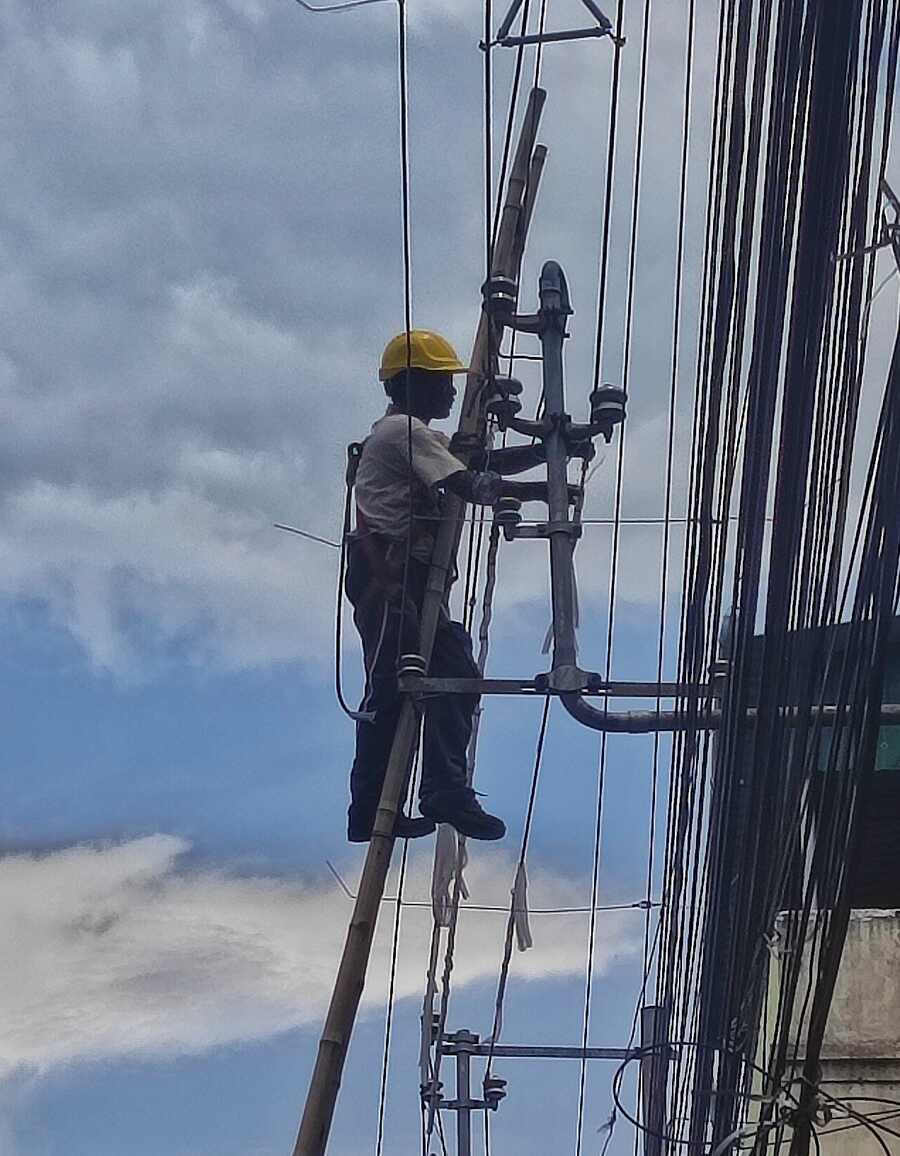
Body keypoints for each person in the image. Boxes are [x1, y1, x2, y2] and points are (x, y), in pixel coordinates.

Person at [346, 328, 565, 843]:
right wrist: (541, 483)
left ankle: (443, 789)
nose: (450, 391)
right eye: (442, 381)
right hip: (390, 581)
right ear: (413, 383)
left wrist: (550, 455)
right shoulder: (401, 431)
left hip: (412, 583)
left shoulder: (415, 437)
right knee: (392, 687)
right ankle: (371, 807)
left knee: (454, 672)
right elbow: (468, 481)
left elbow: (478, 465)